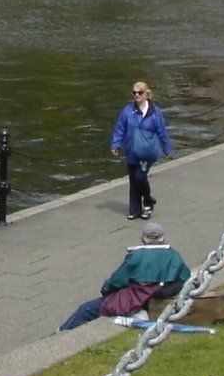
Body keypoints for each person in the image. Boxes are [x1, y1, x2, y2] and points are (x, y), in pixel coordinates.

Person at [58, 221, 192, 329]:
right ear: (162, 238)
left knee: (85, 309)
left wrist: (106, 291)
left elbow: (116, 281)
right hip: (159, 296)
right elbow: (185, 276)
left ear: (143, 238)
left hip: (136, 300)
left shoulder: (136, 256)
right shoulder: (175, 256)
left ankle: (61, 333)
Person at [110, 80, 173, 221]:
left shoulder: (155, 112)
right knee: (133, 180)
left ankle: (148, 202)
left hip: (147, 152)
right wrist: (116, 145)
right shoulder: (127, 111)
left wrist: (167, 148)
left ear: (147, 94)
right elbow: (120, 128)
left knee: (140, 176)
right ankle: (135, 209)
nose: (137, 95)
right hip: (132, 150)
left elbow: (162, 131)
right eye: (134, 92)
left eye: (140, 92)